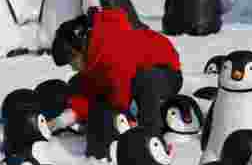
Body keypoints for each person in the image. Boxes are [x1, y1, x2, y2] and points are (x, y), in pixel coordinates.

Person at [50, 8, 182, 135]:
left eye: (73, 62)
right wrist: (71, 114)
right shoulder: (94, 55)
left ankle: (149, 130)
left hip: (167, 73)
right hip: (130, 76)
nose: (73, 68)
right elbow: (91, 89)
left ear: (81, 49)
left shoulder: (114, 49)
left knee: (144, 80)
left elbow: (118, 101)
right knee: (78, 82)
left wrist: (93, 113)